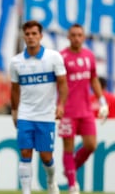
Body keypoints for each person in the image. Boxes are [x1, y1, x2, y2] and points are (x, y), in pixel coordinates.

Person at [10, 20, 68, 194]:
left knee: (45, 156)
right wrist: (14, 112)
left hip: (46, 115)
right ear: (23, 36)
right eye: (27, 34)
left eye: (34, 34)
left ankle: (51, 181)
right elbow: (14, 89)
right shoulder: (16, 62)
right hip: (25, 114)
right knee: (25, 152)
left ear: (41, 36)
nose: (31, 37)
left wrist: (61, 105)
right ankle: (26, 191)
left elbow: (63, 84)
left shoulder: (53, 57)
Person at [59, 24, 109, 194]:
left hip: (86, 110)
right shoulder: (61, 57)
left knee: (91, 145)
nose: (76, 38)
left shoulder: (89, 56)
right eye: (73, 35)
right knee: (68, 146)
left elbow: (94, 79)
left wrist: (102, 101)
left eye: (80, 35)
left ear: (84, 37)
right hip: (67, 110)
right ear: (68, 37)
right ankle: (73, 186)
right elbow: (57, 84)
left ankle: (70, 168)